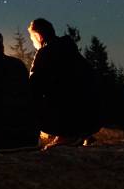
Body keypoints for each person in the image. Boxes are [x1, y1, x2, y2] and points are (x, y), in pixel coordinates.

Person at [28, 18, 102, 148]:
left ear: (38, 36)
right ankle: (82, 132)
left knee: (29, 102)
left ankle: (66, 136)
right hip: (93, 117)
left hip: (68, 118)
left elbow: (33, 89)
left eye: (32, 38)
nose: (33, 43)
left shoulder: (45, 54)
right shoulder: (71, 51)